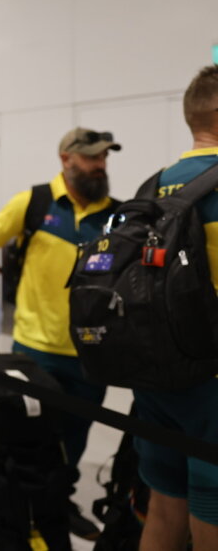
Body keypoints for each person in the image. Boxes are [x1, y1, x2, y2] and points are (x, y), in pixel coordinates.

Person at [0, 126, 122, 540]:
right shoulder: (34, 203)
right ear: (66, 158)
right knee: (29, 437)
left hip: (93, 352)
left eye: (104, 157)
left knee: (77, 434)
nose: (100, 165)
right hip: (35, 349)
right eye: (91, 157)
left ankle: (58, 504)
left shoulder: (117, 214)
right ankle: (24, 509)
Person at [133, 65, 218, 551]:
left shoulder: (153, 186)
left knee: (164, 507)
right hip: (213, 382)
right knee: (212, 509)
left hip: (158, 378)